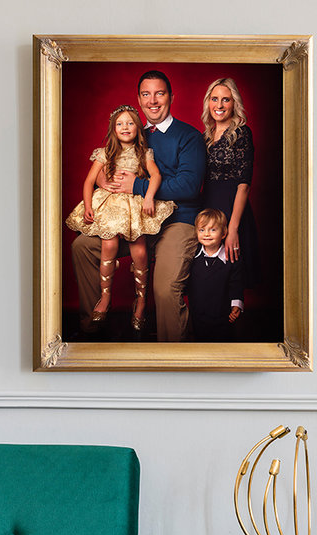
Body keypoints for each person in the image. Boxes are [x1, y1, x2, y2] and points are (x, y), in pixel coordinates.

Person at [71, 71, 205, 341]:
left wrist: (139, 187)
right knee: (82, 247)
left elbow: (189, 187)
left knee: (166, 288)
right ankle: (91, 330)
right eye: (146, 94)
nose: (153, 101)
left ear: (171, 97)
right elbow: (108, 169)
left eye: (160, 93)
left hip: (176, 221)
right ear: (139, 99)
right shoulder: (131, 133)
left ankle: (173, 356)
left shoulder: (189, 137)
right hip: (134, 223)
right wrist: (101, 177)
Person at [65, 105, 174, 331]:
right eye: (120, 124)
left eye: (131, 123)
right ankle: (105, 298)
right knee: (109, 243)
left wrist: (149, 197)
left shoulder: (144, 153)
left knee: (140, 250)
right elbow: (89, 181)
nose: (125, 127)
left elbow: (156, 176)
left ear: (138, 127)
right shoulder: (104, 153)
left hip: (134, 205)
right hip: (111, 208)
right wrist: (88, 205)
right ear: (113, 129)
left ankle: (141, 301)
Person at [200, 77, 259, 279]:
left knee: (231, 276)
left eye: (226, 99)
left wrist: (232, 229)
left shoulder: (242, 134)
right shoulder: (205, 136)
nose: (219, 105)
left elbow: (244, 185)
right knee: (209, 274)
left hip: (232, 210)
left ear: (234, 103)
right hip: (207, 208)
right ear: (208, 102)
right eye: (214, 99)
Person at [188, 209, 246, 342]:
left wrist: (236, 305)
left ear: (224, 233)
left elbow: (236, 284)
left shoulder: (232, 259)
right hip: (199, 317)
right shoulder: (193, 259)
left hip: (223, 317)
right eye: (202, 230)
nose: (207, 234)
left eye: (213, 230)